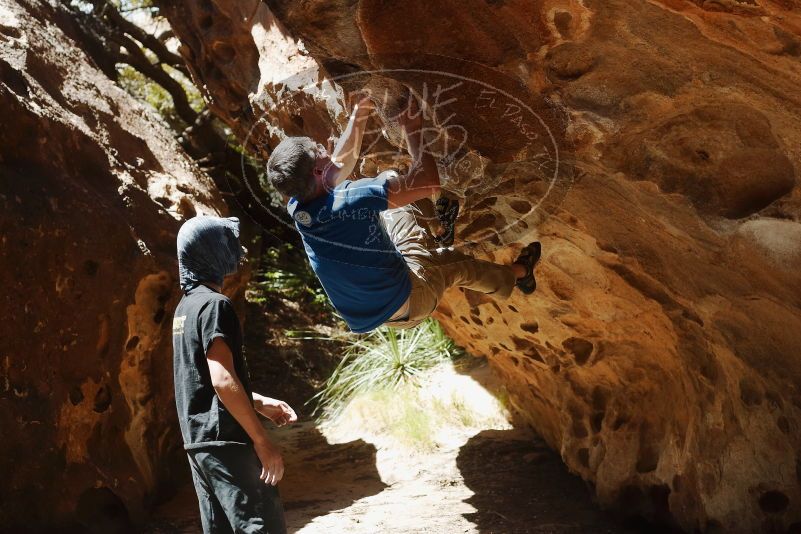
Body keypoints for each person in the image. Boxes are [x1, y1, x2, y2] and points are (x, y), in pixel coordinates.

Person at [264, 93, 541, 334]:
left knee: (388, 194)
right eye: (320, 150)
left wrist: (360, 114)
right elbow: (429, 182)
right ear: (317, 171)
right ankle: (520, 274)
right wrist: (413, 130)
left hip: (382, 309)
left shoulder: (299, 204)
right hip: (412, 300)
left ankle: (441, 231)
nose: (327, 149)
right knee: (452, 265)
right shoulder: (350, 199)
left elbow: (337, 165)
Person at [172, 215, 297, 534]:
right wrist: (261, 440)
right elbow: (222, 380)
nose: (237, 249)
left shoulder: (185, 309)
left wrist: (259, 402)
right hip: (227, 442)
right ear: (210, 251)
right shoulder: (216, 306)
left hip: (199, 445)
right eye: (227, 242)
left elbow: (201, 382)